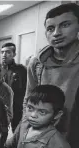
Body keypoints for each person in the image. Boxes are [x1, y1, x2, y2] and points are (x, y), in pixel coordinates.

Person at [24, 3, 79, 135]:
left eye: (65, 25)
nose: (56, 33)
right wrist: (23, 137)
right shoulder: (37, 64)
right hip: (45, 139)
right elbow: (29, 103)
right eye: (50, 28)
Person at [6, 85, 76, 148]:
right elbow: (14, 142)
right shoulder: (24, 126)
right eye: (30, 108)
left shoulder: (56, 144)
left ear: (57, 115)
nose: (33, 115)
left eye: (42, 112)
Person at [0, 42, 27, 132]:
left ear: (14, 54)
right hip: (2, 106)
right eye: (2, 52)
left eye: (8, 52)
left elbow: (27, 89)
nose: (4, 55)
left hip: (17, 107)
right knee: (1, 131)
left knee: (17, 131)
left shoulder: (21, 70)